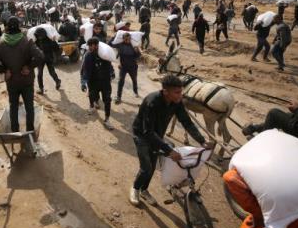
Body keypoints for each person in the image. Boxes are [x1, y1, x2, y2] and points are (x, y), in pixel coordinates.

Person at [129, 74, 210, 206]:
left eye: (181, 92)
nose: (180, 95)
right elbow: (148, 132)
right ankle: (135, 188)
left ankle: (144, 190)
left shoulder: (176, 102)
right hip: (142, 136)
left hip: (157, 136)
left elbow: (186, 122)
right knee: (146, 167)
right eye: (177, 92)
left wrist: (202, 141)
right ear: (166, 91)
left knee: (153, 166)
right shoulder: (152, 102)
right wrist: (169, 151)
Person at [0, 17, 44, 132]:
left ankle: (15, 131)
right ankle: (30, 132)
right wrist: (29, 67)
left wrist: (3, 70)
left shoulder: (0, 44)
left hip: (11, 81)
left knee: (13, 107)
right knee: (29, 107)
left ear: (6, 27)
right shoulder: (27, 41)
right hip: (26, 81)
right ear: (19, 26)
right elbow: (40, 56)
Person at [81, 37, 115, 130]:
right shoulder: (88, 56)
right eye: (90, 45)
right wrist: (83, 82)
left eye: (94, 45)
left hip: (105, 82)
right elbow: (85, 70)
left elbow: (110, 64)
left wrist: (112, 73)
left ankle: (107, 119)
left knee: (107, 100)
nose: (92, 47)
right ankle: (92, 106)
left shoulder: (104, 54)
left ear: (97, 45)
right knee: (92, 95)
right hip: (93, 81)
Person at [110, 32, 140, 104]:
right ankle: (118, 96)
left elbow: (138, 56)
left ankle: (135, 91)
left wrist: (137, 51)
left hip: (132, 67)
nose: (128, 40)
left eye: (129, 39)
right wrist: (113, 37)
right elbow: (110, 44)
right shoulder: (120, 45)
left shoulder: (133, 46)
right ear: (123, 39)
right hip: (123, 67)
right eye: (126, 39)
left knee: (134, 80)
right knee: (121, 81)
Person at [33, 27, 61, 94]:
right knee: (41, 74)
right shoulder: (37, 41)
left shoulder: (49, 40)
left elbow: (57, 49)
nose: (39, 37)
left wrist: (54, 41)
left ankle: (57, 81)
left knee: (49, 72)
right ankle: (41, 88)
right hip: (43, 59)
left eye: (40, 36)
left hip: (46, 59)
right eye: (38, 36)